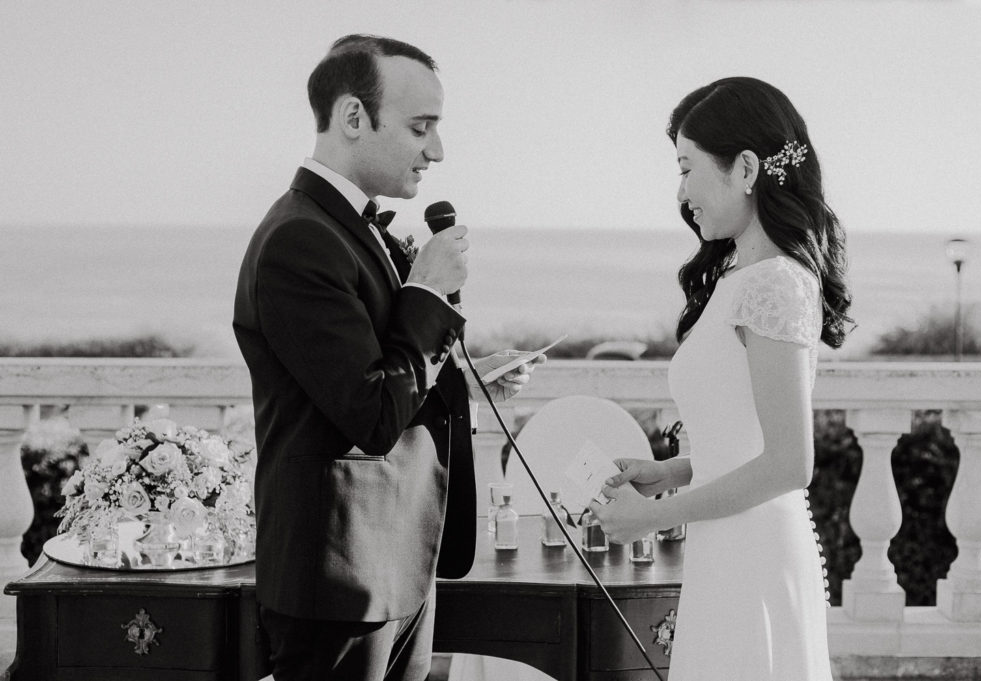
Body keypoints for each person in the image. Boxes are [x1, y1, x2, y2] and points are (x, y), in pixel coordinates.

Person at [233, 34, 542, 681]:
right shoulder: (300, 239)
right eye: (420, 127)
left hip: (398, 566)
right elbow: (370, 413)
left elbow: (378, 370)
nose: (437, 150)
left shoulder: (353, 229)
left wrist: (463, 382)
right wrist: (426, 290)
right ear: (352, 117)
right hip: (340, 583)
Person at [590, 77, 852, 680]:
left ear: (746, 168)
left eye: (687, 169)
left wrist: (650, 516)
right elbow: (746, 439)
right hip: (728, 549)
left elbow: (789, 464)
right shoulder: (741, 275)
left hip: (753, 555)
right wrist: (670, 472)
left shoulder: (774, 284)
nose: (682, 192)